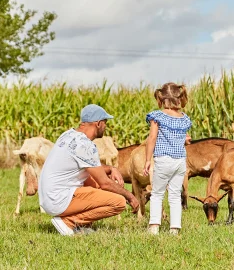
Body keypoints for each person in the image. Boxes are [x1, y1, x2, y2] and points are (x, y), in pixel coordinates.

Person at [38, 104, 140, 235]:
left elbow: (87, 165)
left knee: (94, 181)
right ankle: (68, 222)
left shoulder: (69, 135)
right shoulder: (85, 145)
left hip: (50, 197)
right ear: (98, 123)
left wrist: (110, 168)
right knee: (118, 202)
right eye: (105, 122)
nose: (106, 126)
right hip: (59, 200)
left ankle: (81, 226)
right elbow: (105, 183)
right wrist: (130, 196)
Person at [144, 83, 192, 235]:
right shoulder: (184, 119)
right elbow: (184, 137)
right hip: (180, 161)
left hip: (163, 159)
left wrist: (147, 160)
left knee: (157, 194)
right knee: (175, 195)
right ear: (179, 97)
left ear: (162, 98)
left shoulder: (158, 116)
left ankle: (154, 227)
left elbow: (152, 138)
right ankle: (175, 228)